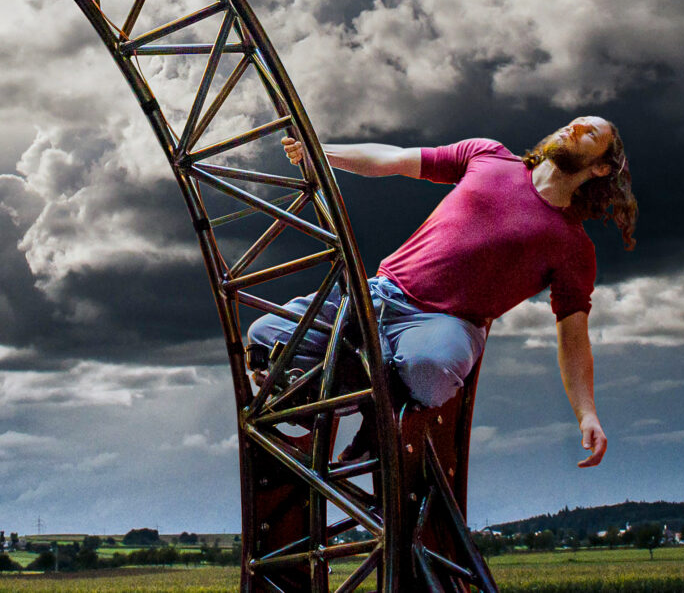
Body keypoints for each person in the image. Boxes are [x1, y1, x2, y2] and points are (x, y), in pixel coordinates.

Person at [252, 115, 636, 468]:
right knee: (264, 336)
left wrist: (587, 413)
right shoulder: (488, 156)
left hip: (446, 324)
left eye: (590, 133)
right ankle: (353, 399)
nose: (574, 127)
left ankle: (372, 410)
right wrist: (319, 153)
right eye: (575, 122)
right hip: (383, 294)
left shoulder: (574, 247)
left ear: (601, 167)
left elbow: (573, 339)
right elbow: (395, 159)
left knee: (431, 368)